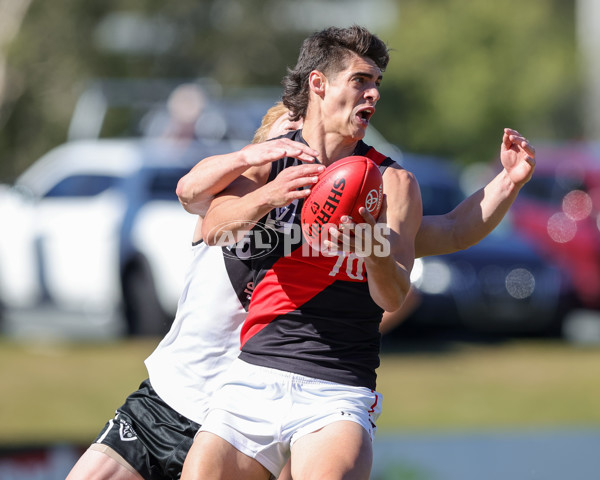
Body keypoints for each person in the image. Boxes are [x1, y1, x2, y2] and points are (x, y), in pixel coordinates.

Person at [67, 100, 535, 480]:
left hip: (243, 421)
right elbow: (190, 191)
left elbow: (451, 229)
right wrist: (253, 161)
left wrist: (506, 183)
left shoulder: (325, 229)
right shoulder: (233, 202)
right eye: (291, 135)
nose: (306, 151)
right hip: (165, 403)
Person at [181, 25, 535, 480]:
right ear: (319, 84)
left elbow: (400, 288)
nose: (373, 95)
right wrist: (270, 197)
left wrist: (371, 246)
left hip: (336, 387)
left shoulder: (393, 183)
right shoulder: (272, 159)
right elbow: (213, 227)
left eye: (377, 84)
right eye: (360, 80)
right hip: (253, 372)